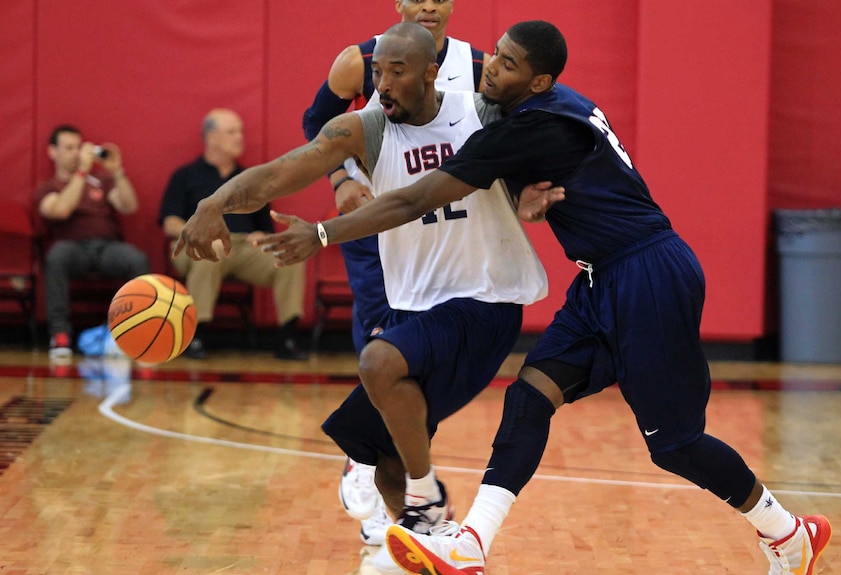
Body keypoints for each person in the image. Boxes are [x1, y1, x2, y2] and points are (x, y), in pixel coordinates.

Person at [252, 20, 833, 575]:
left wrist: (322, 232)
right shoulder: (548, 108)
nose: (489, 69)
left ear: (538, 82)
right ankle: (470, 545)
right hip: (599, 279)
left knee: (675, 443)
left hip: (648, 274)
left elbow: (415, 199)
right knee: (529, 398)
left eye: (506, 64)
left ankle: (787, 534)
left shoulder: (533, 126)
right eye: (494, 54)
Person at [174, 23, 548, 573]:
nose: (384, 84)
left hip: (485, 298)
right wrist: (214, 202)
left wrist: (537, 192)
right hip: (418, 307)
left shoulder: (478, 112)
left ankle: (426, 505)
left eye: (397, 72)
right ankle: (441, 546)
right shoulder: (366, 128)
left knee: (377, 360)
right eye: (377, 73)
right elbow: (279, 173)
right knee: (379, 462)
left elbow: (544, 143)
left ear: (428, 72)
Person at [301, 0, 490, 547]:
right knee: (386, 334)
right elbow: (317, 125)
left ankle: (394, 468)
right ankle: (379, 468)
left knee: (425, 359)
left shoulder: (478, 70)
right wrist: (340, 178)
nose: (428, 3)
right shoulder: (359, 63)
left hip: (444, 231)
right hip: (376, 219)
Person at [159, 108, 308, 360]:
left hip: (242, 248)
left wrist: (259, 236)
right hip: (195, 245)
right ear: (212, 137)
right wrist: (199, 232)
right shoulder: (186, 176)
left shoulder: (249, 179)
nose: (240, 137)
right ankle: (195, 336)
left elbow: (265, 227)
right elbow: (169, 221)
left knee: (290, 258)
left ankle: (288, 337)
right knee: (209, 254)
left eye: (240, 131)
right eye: (231, 132)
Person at [35, 124, 150, 359]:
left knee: (137, 260)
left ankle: (135, 332)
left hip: (107, 247)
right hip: (72, 248)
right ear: (53, 152)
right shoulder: (48, 187)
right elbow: (61, 210)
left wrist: (117, 172)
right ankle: (60, 335)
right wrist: (81, 174)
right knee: (56, 257)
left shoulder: (101, 181)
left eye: (79, 147)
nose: (76, 153)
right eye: (69, 148)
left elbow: (129, 206)